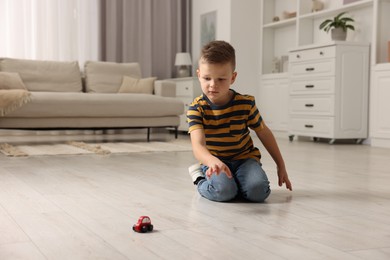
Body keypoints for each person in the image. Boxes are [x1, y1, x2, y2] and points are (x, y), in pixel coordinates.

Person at [187, 40, 292, 202]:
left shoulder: (246, 103)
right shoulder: (196, 108)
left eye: (221, 79)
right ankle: (199, 178)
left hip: (245, 159)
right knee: (224, 192)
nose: (213, 85)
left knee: (258, 192)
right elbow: (198, 146)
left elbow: (264, 132)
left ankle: (238, 182)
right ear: (199, 75)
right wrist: (212, 161)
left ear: (233, 77)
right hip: (214, 161)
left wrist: (281, 164)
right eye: (207, 78)